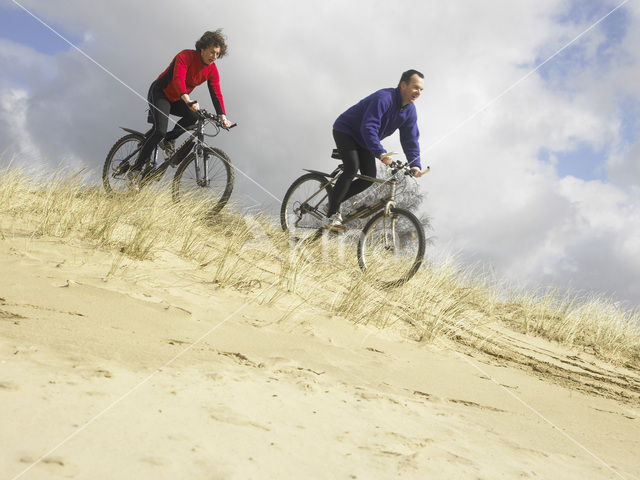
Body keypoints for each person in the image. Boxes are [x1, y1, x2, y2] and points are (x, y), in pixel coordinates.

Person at [325, 69, 429, 232]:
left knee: (368, 178)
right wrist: (380, 153)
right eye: (415, 87)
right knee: (352, 167)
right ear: (403, 85)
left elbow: (410, 139)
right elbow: (369, 127)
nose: (418, 92)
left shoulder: (410, 111)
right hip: (346, 130)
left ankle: (333, 201)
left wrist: (415, 165)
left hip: (365, 140)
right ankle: (332, 213)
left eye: (421, 89)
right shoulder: (384, 98)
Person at [131, 29, 233, 174]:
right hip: (160, 93)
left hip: (177, 99)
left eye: (217, 54)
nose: (214, 57)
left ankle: (169, 140)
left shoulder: (212, 70)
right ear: (202, 49)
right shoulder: (186, 55)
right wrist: (187, 99)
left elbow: (216, 92)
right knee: (159, 131)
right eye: (212, 52)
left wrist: (223, 116)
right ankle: (135, 170)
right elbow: (177, 78)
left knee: (195, 116)